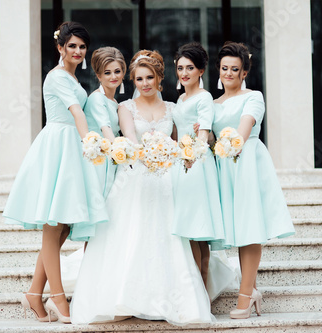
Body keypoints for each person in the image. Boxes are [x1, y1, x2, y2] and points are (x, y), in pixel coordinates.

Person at [70, 50, 214, 326]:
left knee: (167, 237)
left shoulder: (173, 107)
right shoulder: (126, 107)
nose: (145, 83)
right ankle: (124, 298)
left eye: (149, 77)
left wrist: (178, 147)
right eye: (138, 79)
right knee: (131, 234)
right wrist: (150, 153)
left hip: (166, 178)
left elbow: (179, 140)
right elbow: (131, 140)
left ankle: (168, 299)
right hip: (134, 176)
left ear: (159, 77)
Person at [2, 21, 108, 324]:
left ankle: (35, 292)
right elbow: (76, 112)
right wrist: (90, 142)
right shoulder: (58, 77)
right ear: (60, 47)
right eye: (71, 45)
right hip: (59, 147)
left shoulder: (74, 78)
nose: (77, 51)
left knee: (62, 227)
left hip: (71, 145)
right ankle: (59, 300)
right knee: (54, 225)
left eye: (81, 46)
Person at [212, 41, 295, 319]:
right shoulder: (212, 104)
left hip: (246, 162)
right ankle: (252, 288)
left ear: (244, 72)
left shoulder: (253, 96)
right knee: (237, 230)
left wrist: (229, 144)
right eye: (224, 68)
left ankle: (245, 296)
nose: (229, 73)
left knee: (249, 228)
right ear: (219, 70)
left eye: (235, 69)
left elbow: (243, 130)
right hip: (223, 167)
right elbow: (208, 137)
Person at [171, 42, 225, 288]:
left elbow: (204, 133)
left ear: (201, 70)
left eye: (190, 68)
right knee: (193, 233)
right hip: (180, 164)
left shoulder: (204, 98)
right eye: (180, 68)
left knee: (196, 230)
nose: (184, 73)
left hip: (196, 165)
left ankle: (199, 289)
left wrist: (192, 155)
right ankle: (199, 290)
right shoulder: (181, 98)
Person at [70, 47, 126, 242]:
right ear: (98, 75)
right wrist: (126, 155)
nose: (113, 77)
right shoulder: (96, 99)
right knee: (95, 223)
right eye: (107, 73)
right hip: (97, 166)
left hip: (109, 163)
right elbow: (106, 130)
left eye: (117, 71)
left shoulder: (114, 101)